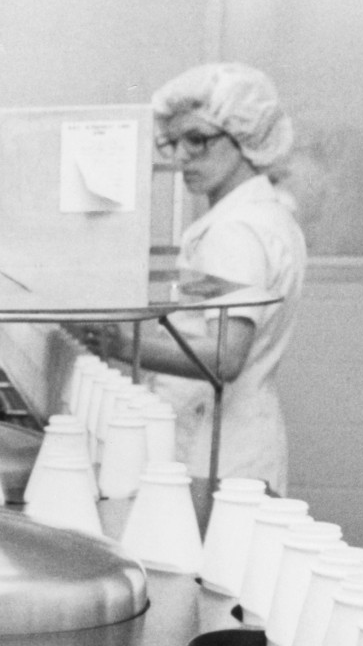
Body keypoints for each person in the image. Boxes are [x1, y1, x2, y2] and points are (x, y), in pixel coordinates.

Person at [87, 63, 306, 494]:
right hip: (239, 443)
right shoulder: (266, 215)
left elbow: (225, 357)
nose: (182, 156)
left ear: (246, 137)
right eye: (174, 142)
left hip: (221, 453)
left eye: (198, 140)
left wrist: (124, 346)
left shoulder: (235, 231)